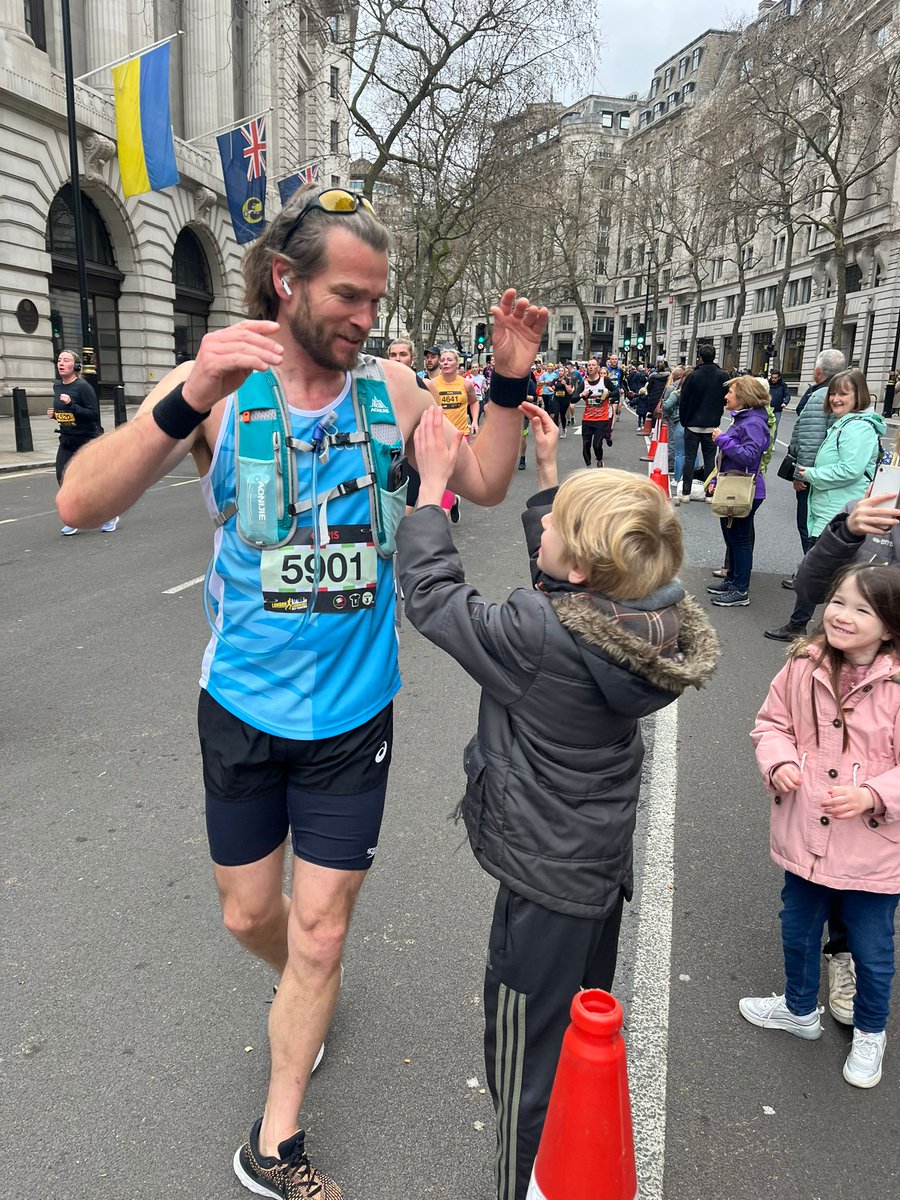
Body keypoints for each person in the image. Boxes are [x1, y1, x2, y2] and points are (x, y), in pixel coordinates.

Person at [56, 183, 548, 1200]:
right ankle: (300, 984)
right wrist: (186, 394)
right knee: (252, 919)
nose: (367, 318)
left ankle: (275, 1139)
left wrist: (504, 388)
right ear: (287, 281)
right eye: (350, 296)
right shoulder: (224, 391)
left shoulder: (396, 394)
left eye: (377, 299)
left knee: (321, 930)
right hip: (240, 705)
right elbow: (80, 498)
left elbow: (487, 484)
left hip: (355, 716)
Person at [396, 405, 719, 1200]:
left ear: (577, 567)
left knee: (524, 1055)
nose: (538, 535)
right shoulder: (648, 617)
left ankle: (520, 1185)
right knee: (575, 1035)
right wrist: (548, 481)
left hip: (541, 886)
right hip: (594, 871)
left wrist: (433, 493)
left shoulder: (539, 637)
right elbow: (566, 588)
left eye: (552, 527)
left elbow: (435, 598)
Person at [743, 564, 900, 1090]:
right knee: (798, 927)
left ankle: (872, 1030)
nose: (843, 616)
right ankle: (797, 1008)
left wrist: (875, 794)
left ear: (891, 626)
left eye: (864, 609)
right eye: (839, 602)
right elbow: (771, 723)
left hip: (874, 849)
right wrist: (780, 760)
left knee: (872, 947)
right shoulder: (803, 664)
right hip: (807, 836)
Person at [767, 365, 882, 641]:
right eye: (833, 394)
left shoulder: (857, 428)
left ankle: (806, 627)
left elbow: (850, 470)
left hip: (838, 511)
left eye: (843, 394)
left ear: (859, 396)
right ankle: (818, 629)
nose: (835, 399)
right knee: (825, 573)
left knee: (818, 572)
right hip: (831, 508)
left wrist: (812, 474)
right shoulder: (845, 424)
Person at [775, 349, 846, 599]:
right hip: (832, 476)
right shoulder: (842, 397)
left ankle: (811, 575)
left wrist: (800, 475)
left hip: (815, 475)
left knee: (809, 526)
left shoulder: (820, 397)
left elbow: (809, 439)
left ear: (818, 372)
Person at [704, 375, 772, 608]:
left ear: (743, 397)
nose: (726, 396)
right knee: (732, 536)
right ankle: (733, 580)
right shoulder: (746, 418)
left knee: (740, 539)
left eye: (730, 393)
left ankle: (740, 588)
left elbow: (749, 456)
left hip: (745, 489)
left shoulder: (753, 422)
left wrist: (723, 440)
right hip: (732, 485)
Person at [46, 350, 118, 535]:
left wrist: (72, 405)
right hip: (67, 440)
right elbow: (68, 417)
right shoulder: (58, 387)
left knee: (92, 483)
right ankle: (75, 518)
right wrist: (56, 415)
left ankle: (110, 515)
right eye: (59, 360)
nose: (61, 363)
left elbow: (93, 415)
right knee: (63, 480)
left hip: (86, 440)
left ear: (76, 366)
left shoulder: (83, 388)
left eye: (66, 360)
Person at [675, 344, 728, 504]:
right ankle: (709, 493)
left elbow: (683, 400)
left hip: (692, 424)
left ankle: (685, 492)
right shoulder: (723, 376)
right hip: (712, 424)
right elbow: (727, 397)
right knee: (710, 459)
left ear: (700, 357)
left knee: (689, 458)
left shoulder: (693, 376)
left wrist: (684, 420)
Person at [580, 359, 615, 467]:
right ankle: (589, 467)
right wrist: (582, 395)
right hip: (587, 419)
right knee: (586, 445)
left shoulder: (605, 381)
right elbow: (573, 399)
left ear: (597, 368)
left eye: (593, 365)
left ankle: (599, 461)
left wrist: (608, 394)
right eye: (589, 365)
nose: (590, 367)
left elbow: (616, 392)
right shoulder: (584, 383)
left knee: (597, 445)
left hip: (601, 419)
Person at [768, 369, 791, 437]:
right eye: (772, 377)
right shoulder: (768, 384)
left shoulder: (783, 385)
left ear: (779, 377)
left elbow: (787, 395)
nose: (773, 379)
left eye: (775, 378)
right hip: (768, 409)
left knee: (774, 428)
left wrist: (785, 402)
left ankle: (772, 444)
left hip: (777, 410)